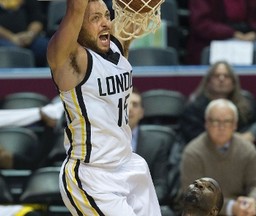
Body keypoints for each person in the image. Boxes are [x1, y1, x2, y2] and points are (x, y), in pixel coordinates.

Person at [46, 0, 162, 215]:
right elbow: (75, 8)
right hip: (93, 175)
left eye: (107, 16)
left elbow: (135, 15)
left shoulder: (116, 45)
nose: (106, 23)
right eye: (95, 18)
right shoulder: (71, 60)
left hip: (129, 163)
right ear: (77, 27)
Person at [179, 98, 256, 216]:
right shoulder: (193, 152)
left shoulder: (247, 148)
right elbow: (194, 197)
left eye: (227, 121)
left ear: (235, 125)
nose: (221, 127)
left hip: (242, 207)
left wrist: (253, 202)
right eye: (216, 121)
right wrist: (231, 208)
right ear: (206, 123)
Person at [179, 60, 256, 177]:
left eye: (226, 76)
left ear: (234, 82)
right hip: (208, 158)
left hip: (241, 156)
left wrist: (251, 134)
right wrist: (230, 139)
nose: (221, 79)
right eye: (216, 76)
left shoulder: (247, 101)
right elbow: (193, 138)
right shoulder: (194, 106)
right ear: (208, 81)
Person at [184, 0, 256, 65]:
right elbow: (201, 24)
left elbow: (255, 18)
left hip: (245, 36)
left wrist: (254, 32)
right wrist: (232, 33)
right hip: (214, 39)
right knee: (234, 46)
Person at [129, 88, 171, 205]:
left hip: (145, 205)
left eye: (135, 105)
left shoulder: (156, 143)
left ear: (142, 113)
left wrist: (141, 204)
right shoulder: (105, 141)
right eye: (126, 103)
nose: (130, 108)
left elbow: (160, 185)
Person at [0, 0, 49, 67]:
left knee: (44, 46)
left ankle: (39, 75)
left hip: (27, 37)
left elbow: (37, 19)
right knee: (13, 50)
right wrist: (12, 37)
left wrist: (30, 34)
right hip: (4, 38)